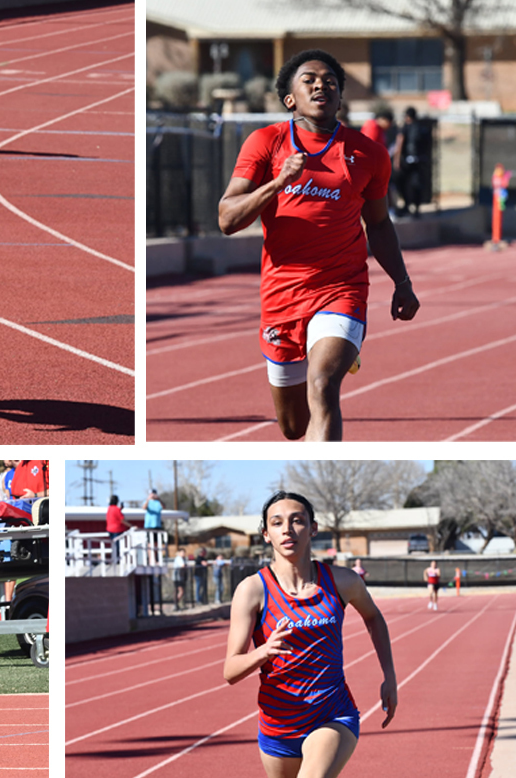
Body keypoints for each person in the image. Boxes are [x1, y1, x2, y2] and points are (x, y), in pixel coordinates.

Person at [218, 49, 420, 441]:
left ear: (340, 98)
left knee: (323, 384)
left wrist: (403, 281)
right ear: (290, 98)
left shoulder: (370, 154)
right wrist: (278, 183)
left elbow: (378, 224)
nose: (320, 85)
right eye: (309, 79)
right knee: (294, 427)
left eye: (329, 80)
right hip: (282, 294)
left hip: (341, 288)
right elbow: (227, 219)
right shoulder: (265, 143)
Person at [225, 491, 397, 777]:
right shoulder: (252, 591)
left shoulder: (342, 581)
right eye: (277, 523)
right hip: (278, 724)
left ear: (313, 528)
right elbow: (229, 671)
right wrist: (262, 652)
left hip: (332, 714)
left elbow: (373, 617)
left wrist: (389, 676)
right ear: (266, 534)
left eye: (297, 520)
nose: (287, 529)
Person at [394, 106, 430, 218]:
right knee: (417, 184)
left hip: (406, 161)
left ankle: (407, 205)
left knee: (404, 184)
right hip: (420, 161)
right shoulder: (422, 128)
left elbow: (399, 144)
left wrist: (397, 160)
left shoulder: (405, 128)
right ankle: (416, 208)